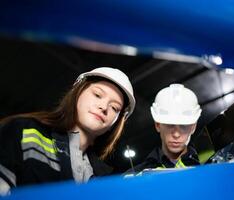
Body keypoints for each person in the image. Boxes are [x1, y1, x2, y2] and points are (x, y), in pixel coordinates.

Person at [0, 67, 135, 195]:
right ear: (78, 92)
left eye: (114, 108)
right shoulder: (24, 131)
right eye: (97, 95)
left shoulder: (104, 180)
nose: (104, 107)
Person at [128, 83, 201, 174]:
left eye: (183, 126)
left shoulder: (210, 167)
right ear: (158, 125)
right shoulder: (135, 175)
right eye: (169, 125)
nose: (176, 134)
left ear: (193, 127)